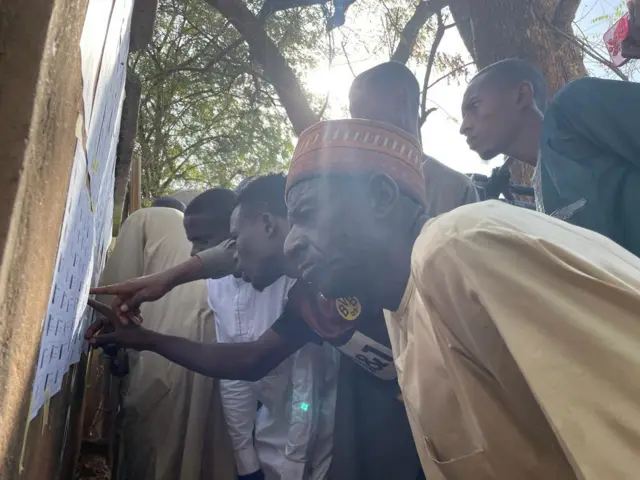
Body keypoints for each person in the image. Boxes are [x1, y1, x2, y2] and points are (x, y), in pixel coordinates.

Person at [280, 118, 640, 479]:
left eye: (307, 215)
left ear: (381, 197)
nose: (290, 243)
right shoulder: (401, 308)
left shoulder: (456, 249)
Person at [185, 187, 338, 480]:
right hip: (269, 432)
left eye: (204, 242)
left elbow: (308, 382)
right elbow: (233, 377)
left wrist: (295, 463)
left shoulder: (293, 280)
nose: (195, 254)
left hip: (316, 433)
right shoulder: (216, 287)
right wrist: (246, 462)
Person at [94, 205, 235, 480]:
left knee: (153, 446)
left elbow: (113, 296)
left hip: (162, 353)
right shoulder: (228, 244)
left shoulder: (145, 218)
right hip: (221, 354)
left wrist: (115, 346)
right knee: (210, 445)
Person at [459, 58, 640, 256]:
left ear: (522, 95)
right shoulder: (543, 198)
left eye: (474, 106)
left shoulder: (573, 107)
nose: (464, 127)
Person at [349, 61, 479, 217]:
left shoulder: (454, 189)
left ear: (400, 98)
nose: (354, 121)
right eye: (352, 112)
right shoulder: (349, 185)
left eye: (360, 106)